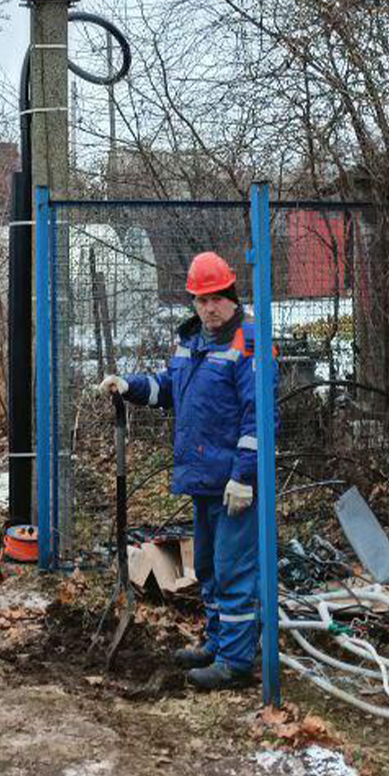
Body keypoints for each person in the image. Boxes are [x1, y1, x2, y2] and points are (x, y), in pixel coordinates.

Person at [99, 250, 262, 691]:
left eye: (215, 299)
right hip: (203, 478)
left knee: (233, 570)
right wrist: (128, 385)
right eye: (200, 300)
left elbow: (259, 417)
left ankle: (236, 661)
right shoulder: (191, 341)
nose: (208, 308)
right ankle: (218, 641)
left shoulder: (247, 342)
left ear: (231, 295)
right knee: (207, 566)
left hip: (233, 482)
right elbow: (169, 389)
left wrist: (244, 477)